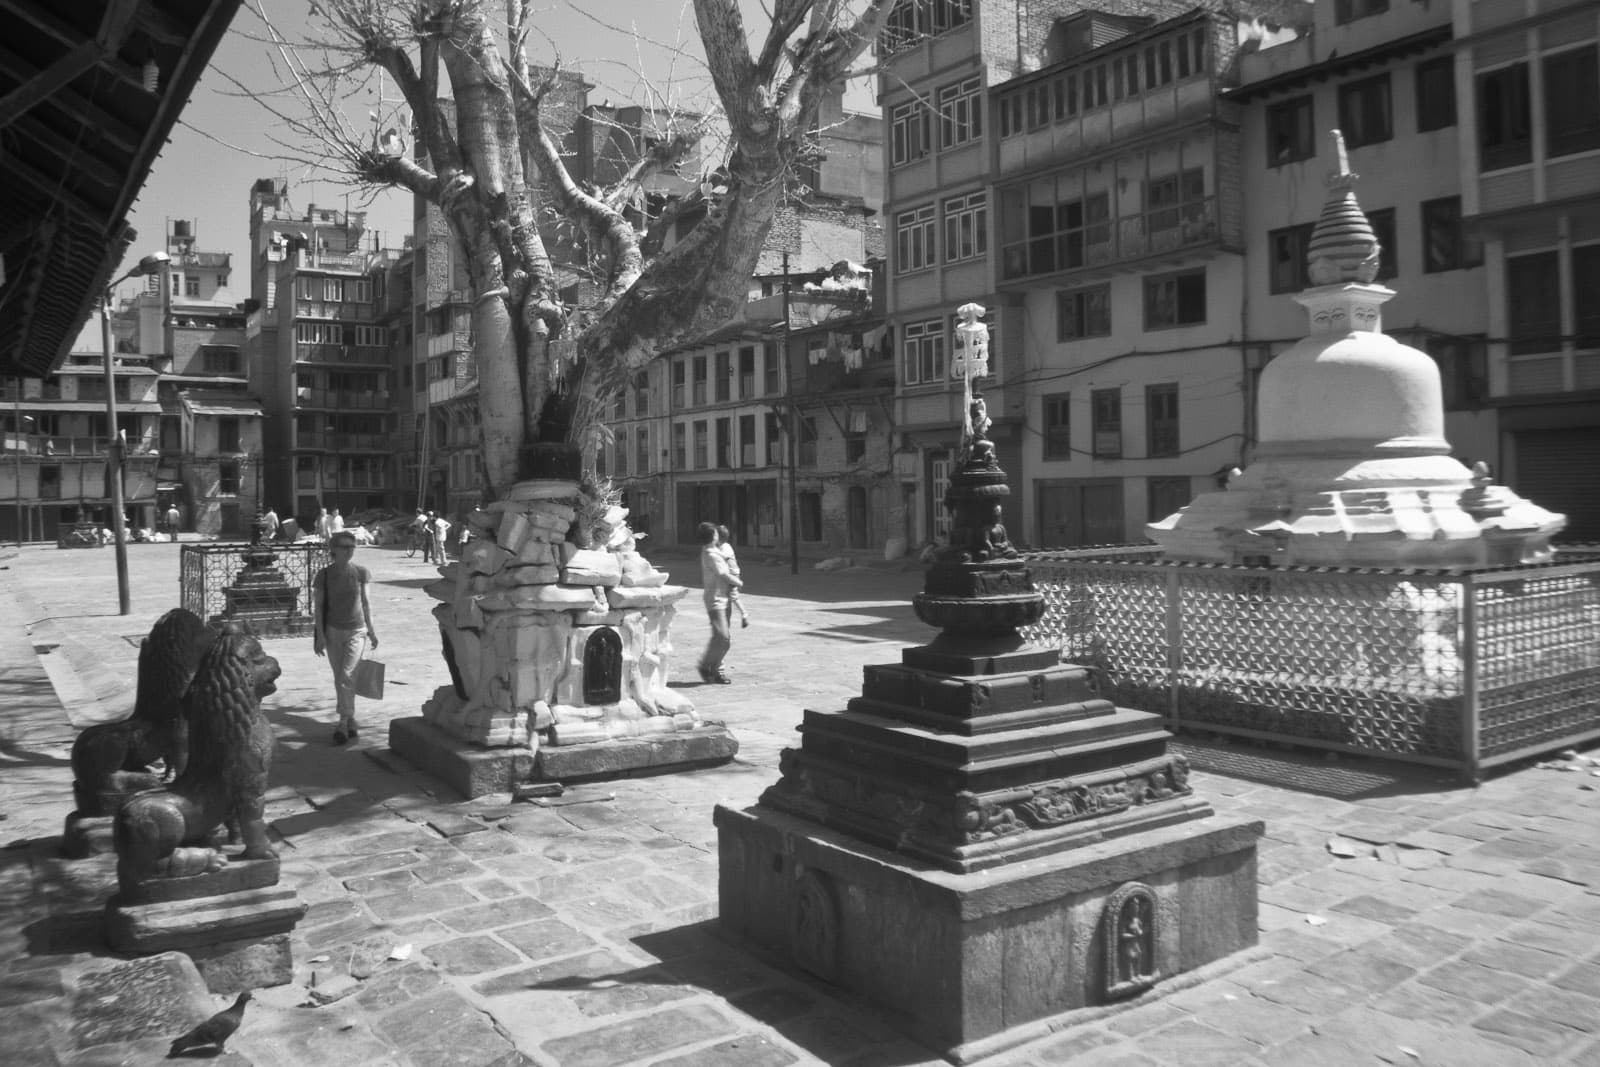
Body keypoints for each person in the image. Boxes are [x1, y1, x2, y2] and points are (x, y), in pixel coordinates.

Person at [312, 530, 379, 745]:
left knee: (347, 675)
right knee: (340, 677)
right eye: (345, 546)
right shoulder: (323, 575)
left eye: (352, 546)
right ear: (334, 550)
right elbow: (319, 606)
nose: (350, 550)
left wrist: (372, 630)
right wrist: (320, 635)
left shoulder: (361, 572)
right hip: (332, 631)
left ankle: (342, 722)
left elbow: (367, 604)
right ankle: (351, 718)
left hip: (357, 630)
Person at [697, 521, 741, 684]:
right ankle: (709, 667)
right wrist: (737, 582)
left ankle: (713, 670)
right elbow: (724, 573)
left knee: (724, 639)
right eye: (716, 534)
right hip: (715, 599)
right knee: (721, 636)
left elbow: (733, 567)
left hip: (725, 596)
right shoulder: (711, 552)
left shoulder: (723, 549)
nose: (720, 537)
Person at [717, 524, 750, 629]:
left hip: (732, 575)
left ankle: (744, 613)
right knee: (728, 597)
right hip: (729, 574)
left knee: (732, 596)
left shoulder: (725, 547)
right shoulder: (722, 546)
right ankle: (726, 621)